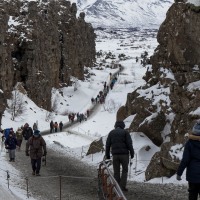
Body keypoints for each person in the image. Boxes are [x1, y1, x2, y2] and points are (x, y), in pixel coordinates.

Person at [105, 121, 134, 192]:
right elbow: (129, 144)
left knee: (116, 171)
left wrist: (107, 155)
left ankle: (117, 187)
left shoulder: (111, 133)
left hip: (115, 155)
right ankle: (122, 187)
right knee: (125, 171)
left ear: (115, 125)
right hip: (124, 155)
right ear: (123, 125)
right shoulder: (125, 132)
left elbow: (108, 145)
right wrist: (132, 153)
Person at [177, 120, 200, 200]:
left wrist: (179, 173)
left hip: (193, 176)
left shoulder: (189, 143)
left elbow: (185, 160)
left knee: (192, 196)